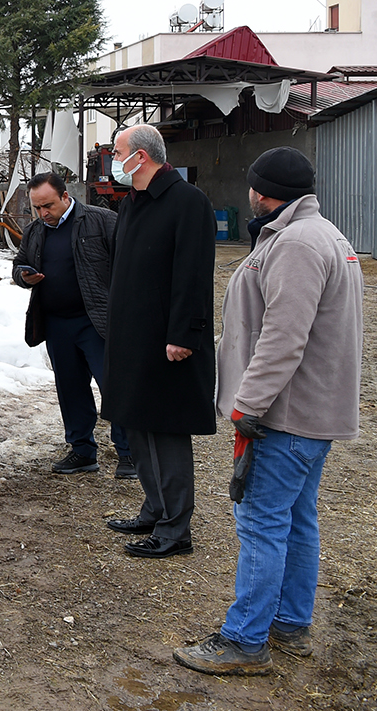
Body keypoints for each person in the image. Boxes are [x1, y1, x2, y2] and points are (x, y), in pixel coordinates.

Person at [173, 147, 363, 675]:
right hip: (309, 413)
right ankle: (288, 624)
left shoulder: (298, 243)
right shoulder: (323, 235)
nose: (249, 193)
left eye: (252, 185)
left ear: (261, 190)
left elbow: (284, 337)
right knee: (296, 521)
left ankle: (244, 640)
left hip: (284, 415)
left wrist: (247, 404)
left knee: (260, 523)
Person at [101, 125, 216, 559]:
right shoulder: (133, 203)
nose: (113, 159)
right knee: (137, 422)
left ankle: (175, 528)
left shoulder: (188, 201)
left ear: (141, 157)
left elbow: (192, 274)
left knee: (165, 432)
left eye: (117, 151)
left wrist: (184, 335)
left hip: (169, 342)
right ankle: (154, 507)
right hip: (132, 338)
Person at [11, 171, 132, 477]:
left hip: (97, 321)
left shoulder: (101, 220)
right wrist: (23, 276)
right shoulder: (36, 230)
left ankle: (130, 454)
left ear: (66, 196)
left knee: (115, 387)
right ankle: (82, 451)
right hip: (56, 324)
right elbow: (19, 264)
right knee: (70, 389)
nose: (43, 213)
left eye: (48, 205)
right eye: (37, 208)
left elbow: (127, 265)